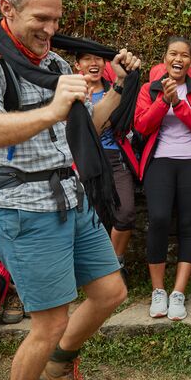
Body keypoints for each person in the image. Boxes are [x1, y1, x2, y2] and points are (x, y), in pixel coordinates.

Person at [0, 0, 139, 380]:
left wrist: (117, 87)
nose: (50, 29)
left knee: (110, 293)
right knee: (49, 323)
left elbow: (82, 129)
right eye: (40, 18)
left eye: (56, 19)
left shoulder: (56, 63)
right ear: (7, 7)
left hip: (72, 199)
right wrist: (54, 107)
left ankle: (58, 369)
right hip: (25, 211)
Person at [134, 36, 191, 321]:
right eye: (173, 53)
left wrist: (180, 104)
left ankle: (178, 293)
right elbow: (142, 126)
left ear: (190, 62)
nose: (179, 59)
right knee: (158, 218)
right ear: (164, 59)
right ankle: (158, 291)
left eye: (185, 55)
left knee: (188, 223)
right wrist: (163, 101)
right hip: (160, 160)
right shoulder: (149, 89)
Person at [75, 52, 139, 270]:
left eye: (98, 59)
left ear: (105, 64)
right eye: (86, 59)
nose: (93, 63)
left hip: (113, 157)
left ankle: (113, 264)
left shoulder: (117, 90)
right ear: (77, 65)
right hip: (82, 160)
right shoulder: (71, 92)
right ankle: (96, 271)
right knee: (90, 217)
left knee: (126, 212)